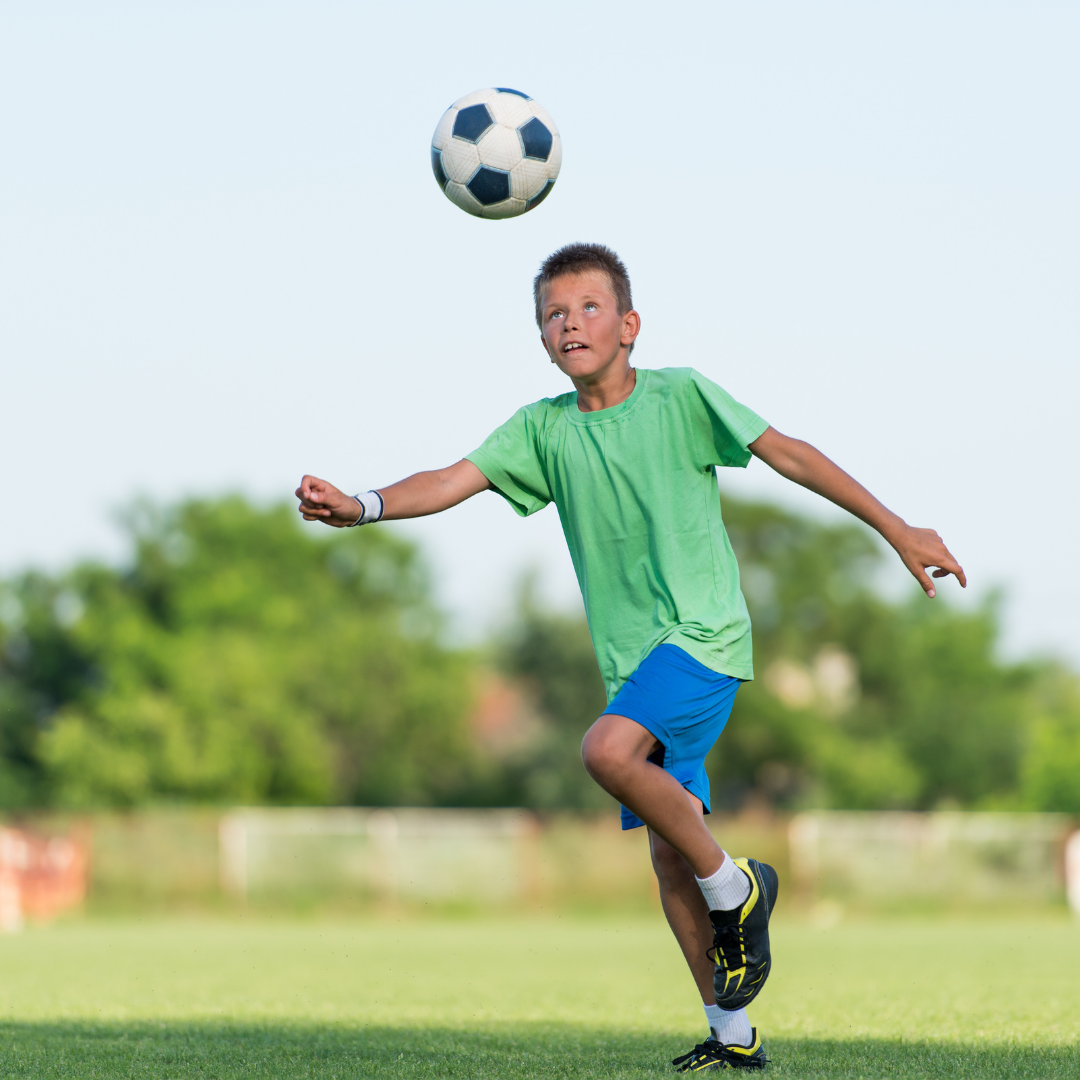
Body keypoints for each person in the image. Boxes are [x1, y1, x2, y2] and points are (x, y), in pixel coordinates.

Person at [295, 242, 965, 1071]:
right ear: (541, 338)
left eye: (587, 307)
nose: (569, 322)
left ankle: (739, 887)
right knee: (665, 854)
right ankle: (734, 1038)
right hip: (636, 666)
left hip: (704, 638)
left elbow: (789, 453)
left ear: (630, 325)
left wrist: (897, 527)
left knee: (605, 751)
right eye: (552, 313)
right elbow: (449, 479)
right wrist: (360, 506)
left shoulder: (681, 397)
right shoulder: (540, 430)